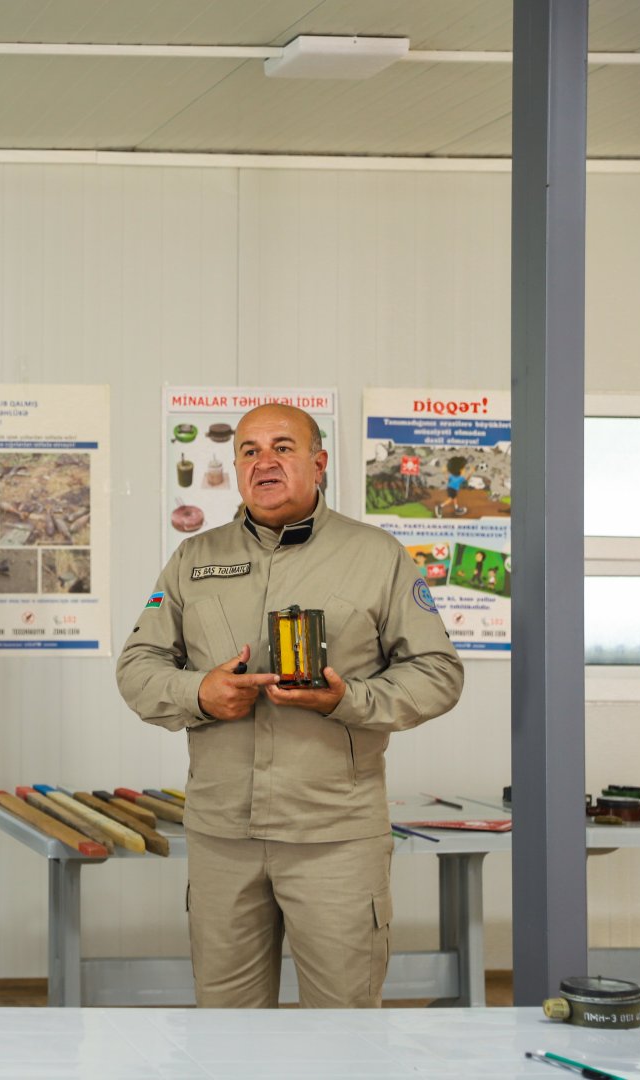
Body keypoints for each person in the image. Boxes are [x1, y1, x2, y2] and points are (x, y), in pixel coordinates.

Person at [116, 403, 463, 1009]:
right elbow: (137, 667)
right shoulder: (192, 561)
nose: (264, 461)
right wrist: (200, 693)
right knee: (226, 1030)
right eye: (249, 450)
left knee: (343, 1028)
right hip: (224, 837)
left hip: (335, 837)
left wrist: (347, 701)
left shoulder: (378, 556)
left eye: (282, 446)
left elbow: (437, 674)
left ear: (318, 463)